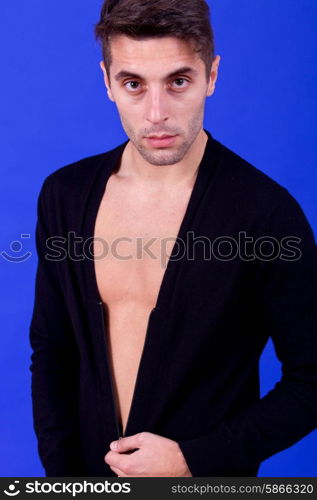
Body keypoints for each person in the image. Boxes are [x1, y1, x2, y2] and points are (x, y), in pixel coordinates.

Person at [29, 0, 317, 477]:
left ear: (212, 75)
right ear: (107, 81)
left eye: (178, 81)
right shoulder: (66, 194)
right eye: (134, 84)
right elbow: (53, 349)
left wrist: (194, 459)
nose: (157, 113)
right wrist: (63, 479)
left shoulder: (265, 212)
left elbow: (312, 377)